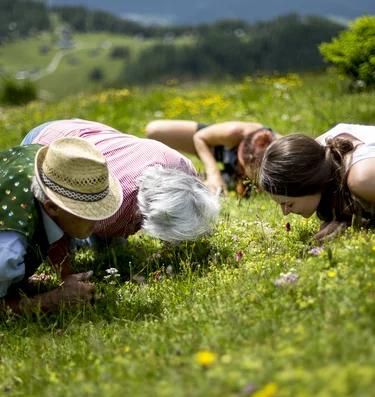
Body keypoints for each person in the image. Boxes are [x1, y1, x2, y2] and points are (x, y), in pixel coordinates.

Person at [21, 118, 221, 246]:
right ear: (144, 214)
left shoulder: (183, 167)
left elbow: (190, 206)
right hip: (46, 145)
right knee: (72, 238)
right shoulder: (106, 210)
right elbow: (62, 218)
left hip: (81, 129)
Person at [0, 137, 123, 314]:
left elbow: (53, 227)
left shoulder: (54, 167)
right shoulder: (9, 250)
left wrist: (61, 276)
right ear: (52, 207)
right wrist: (54, 300)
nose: (98, 219)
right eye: (87, 212)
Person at [259, 123, 375, 240]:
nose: (285, 213)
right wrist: (343, 219)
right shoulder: (315, 156)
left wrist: (363, 223)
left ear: (310, 184)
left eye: (289, 204)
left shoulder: (362, 179)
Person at [145, 120, 282, 195]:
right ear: (240, 156)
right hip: (214, 145)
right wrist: (213, 174)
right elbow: (199, 137)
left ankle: (222, 179)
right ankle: (217, 177)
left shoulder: (284, 154)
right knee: (155, 130)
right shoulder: (234, 132)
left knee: (184, 183)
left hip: (244, 177)